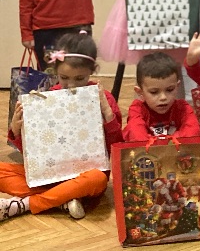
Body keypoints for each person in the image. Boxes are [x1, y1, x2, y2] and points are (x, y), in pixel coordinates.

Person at [1, 32, 123, 222]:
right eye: (64, 77)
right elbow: (35, 155)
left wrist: (107, 113)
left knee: (97, 179)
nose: (70, 85)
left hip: (86, 177)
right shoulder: (49, 97)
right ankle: (62, 199)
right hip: (50, 175)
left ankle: (25, 204)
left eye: (80, 78)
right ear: (55, 71)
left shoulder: (103, 98)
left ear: (92, 71)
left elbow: (116, 149)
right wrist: (17, 129)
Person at [123, 52, 200, 141]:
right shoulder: (137, 109)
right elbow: (137, 137)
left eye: (170, 90)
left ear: (177, 86)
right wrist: (172, 140)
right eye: (154, 92)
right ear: (140, 92)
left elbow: (193, 133)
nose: (163, 97)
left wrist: (161, 142)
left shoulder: (182, 107)